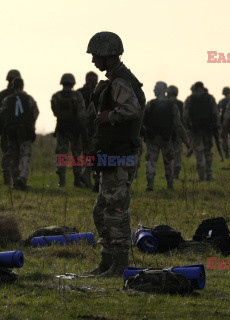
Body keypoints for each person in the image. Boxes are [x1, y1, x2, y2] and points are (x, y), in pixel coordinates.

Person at [84, 31, 145, 277]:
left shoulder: (120, 81)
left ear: (108, 55)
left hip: (119, 155)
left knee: (115, 212)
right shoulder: (114, 81)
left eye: (96, 56)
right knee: (102, 211)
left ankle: (120, 265)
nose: (93, 61)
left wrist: (111, 115)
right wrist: (98, 98)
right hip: (113, 155)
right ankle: (107, 261)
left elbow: (132, 109)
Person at [143, 82, 189, 190]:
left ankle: (150, 185)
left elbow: (143, 121)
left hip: (152, 138)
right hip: (167, 138)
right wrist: (185, 139)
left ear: (159, 90)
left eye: (155, 88)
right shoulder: (172, 105)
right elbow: (178, 124)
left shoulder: (150, 104)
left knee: (151, 161)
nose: (153, 90)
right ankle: (170, 184)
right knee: (168, 161)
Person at [0, 78, 39, 190]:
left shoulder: (7, 99)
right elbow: (35, 112)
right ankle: (22, 178)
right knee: (24, 154)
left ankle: (16, 182)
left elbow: (1, 113)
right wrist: (31, 125)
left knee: (14, 156)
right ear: (23, 86)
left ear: (12, 86)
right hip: (25, 131)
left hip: (11, 131)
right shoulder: (29, 99)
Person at [51, 73, 86, 187]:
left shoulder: (56, 96)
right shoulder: (77, 96)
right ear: (73, 83)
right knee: (76, 155)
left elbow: (55, 112)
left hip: (61, 128)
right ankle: (77, 180)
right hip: (75, 129)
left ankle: (62, 181)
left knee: (62, 155)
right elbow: (81, 113)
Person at [184, 82, 219, 181]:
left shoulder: (190, 99)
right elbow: (215, 113)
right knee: (208, 152)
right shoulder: (210, 98)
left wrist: (188, 127)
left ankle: (201, 176)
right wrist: (216, 127)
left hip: (196, 130)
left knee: (199, 154)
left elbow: (185, 116)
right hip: (208, 130)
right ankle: (209, 175)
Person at [0, 69, 21, 185]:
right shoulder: (22, 95)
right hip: (19, 130)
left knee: (6, 154)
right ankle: (17, 180)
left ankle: (7, 180)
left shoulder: (0, 95)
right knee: (17, 155)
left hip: (5, 130)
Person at [77, 71, 100, 191]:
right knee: (96, 154)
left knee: (89, 154)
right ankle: (94, 179)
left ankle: (85, 176)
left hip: (83, 128)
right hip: (93, 129)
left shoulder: (79, 93)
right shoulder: (98, 93)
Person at [167, 85, 187, 180]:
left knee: (168, 154)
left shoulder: (165, 103)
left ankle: (170, 174)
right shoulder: (180, 103)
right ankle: (176, 174)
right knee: (178, 154)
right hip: (178, 131)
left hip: (167, 133)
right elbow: (183, 119)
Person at [218, 87, 230, 158]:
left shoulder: (222, 101)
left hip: (224, 123)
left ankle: (227, 155)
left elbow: (217, 111)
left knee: (224, 139)